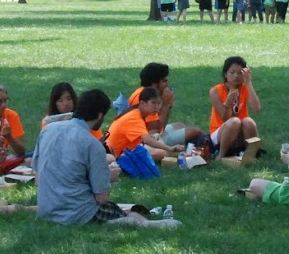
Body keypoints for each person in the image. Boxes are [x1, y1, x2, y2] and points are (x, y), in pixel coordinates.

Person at [33, 88, 177, 227]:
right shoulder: (92, 144)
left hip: (47, 209)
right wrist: (107, 177)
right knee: (131, 216)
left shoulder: (47, 131)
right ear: (100, 115)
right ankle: (149, 225)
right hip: (77, 212)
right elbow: (101, 198)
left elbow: (39, 180)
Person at [128, 62, 203, 151]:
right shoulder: (147, 99)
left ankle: (190, 146)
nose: (167, 84)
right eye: (164, 81)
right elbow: (157, 130)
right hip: (147, 140)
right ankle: (203, 147)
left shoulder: (141, 92)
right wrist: (166, 104)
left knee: (180, 125)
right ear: (154, 84)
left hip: (146, 133)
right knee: (195, 131)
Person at [208, 55, 260, 160]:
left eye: (240, 73)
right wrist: (227, 104)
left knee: (248, 121)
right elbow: (225, 119)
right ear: (225, 74)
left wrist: (248, 82)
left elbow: (256, 109)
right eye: (232, 72)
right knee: (234, 121)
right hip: (220, 132)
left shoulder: (245, 88)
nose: (236, 76)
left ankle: (250, 154)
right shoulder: (216, 91)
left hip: (241, 131)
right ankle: (221, 155)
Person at [107, 87, 172, 162]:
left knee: (158, 142)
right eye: (153, 103)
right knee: (162, 152)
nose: (156, 107)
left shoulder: (137, 113)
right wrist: (169, 148)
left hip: (121, 150)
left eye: (159, 103)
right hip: (115, 155)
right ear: (142, 103)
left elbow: (144, 138)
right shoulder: (135, 117)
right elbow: (147, 140)